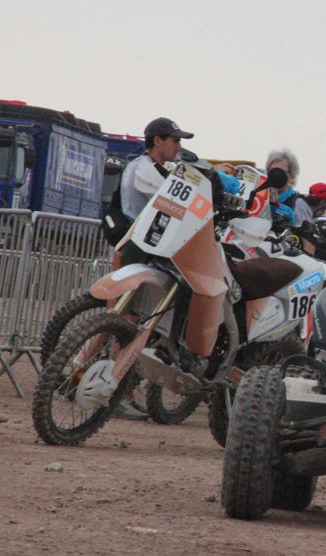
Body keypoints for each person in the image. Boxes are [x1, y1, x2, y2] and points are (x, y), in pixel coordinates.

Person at [115, 117, 194, 420]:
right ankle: (116, 392)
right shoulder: (143, 168)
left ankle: (122, 390)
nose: (178, 146)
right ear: (157, 140)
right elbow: (173, 203)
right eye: (175, 140)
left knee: (132, 322)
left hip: (146, 250)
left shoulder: (156, 168)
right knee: (127, 322)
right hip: (139, 249)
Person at [266, 149, 312, 227]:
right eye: (272, 171)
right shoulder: (259, 197)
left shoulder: (298, 203)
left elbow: (304, 231)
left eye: (280, 172)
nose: (275, 175)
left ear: (292, 177)